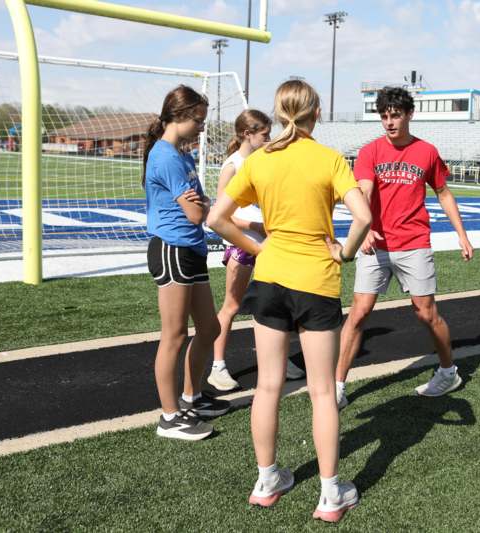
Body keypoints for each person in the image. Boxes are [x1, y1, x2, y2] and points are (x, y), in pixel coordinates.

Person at [207, 80, 372, 523]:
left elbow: (216, 218)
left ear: (279, 115)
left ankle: (267, 479)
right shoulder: (329, 159)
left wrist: (261, 249)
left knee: (267, 386)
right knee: (321, 392)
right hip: (317, 279)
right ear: (316, 113)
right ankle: (330, 493)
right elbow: (365, 217)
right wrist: (346, 251)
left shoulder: (260, 159)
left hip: (272, 278)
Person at [334, 86, 474, 409]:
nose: (389, 122)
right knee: (358, 313)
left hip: (414, 243)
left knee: (426, 313)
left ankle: (448, 371)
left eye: (395, 115)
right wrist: (364, 226)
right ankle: (338, 385)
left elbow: (443, 193)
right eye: (384, 116)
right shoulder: (370, 152)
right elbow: (364, 191)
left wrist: (462, 235)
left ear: (409, 114)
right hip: (377, 244)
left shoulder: (426, 152)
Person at [143, 85, 230, 441]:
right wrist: (201, 206)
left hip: (192, 250)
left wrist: (202, 205)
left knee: (209, 329)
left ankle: (191, 397)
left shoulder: (183, 155)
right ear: (180, 115)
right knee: (175, 335)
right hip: (172, 248)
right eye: (199, 120)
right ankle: (169, 417)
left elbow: (202, 203)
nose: (202, 128)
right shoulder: (164, 156)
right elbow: (196, 213)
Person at [207, 110, 305, 392]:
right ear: (248, 134)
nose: (269, 138)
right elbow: (219, 215)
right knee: (233, 305)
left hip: (267, 245)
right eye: (264, 134)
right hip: (242, 243)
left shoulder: (263, 161)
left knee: (274, 303)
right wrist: (257, 225)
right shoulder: (233, 165)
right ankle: (218, 365)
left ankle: (280, 359)